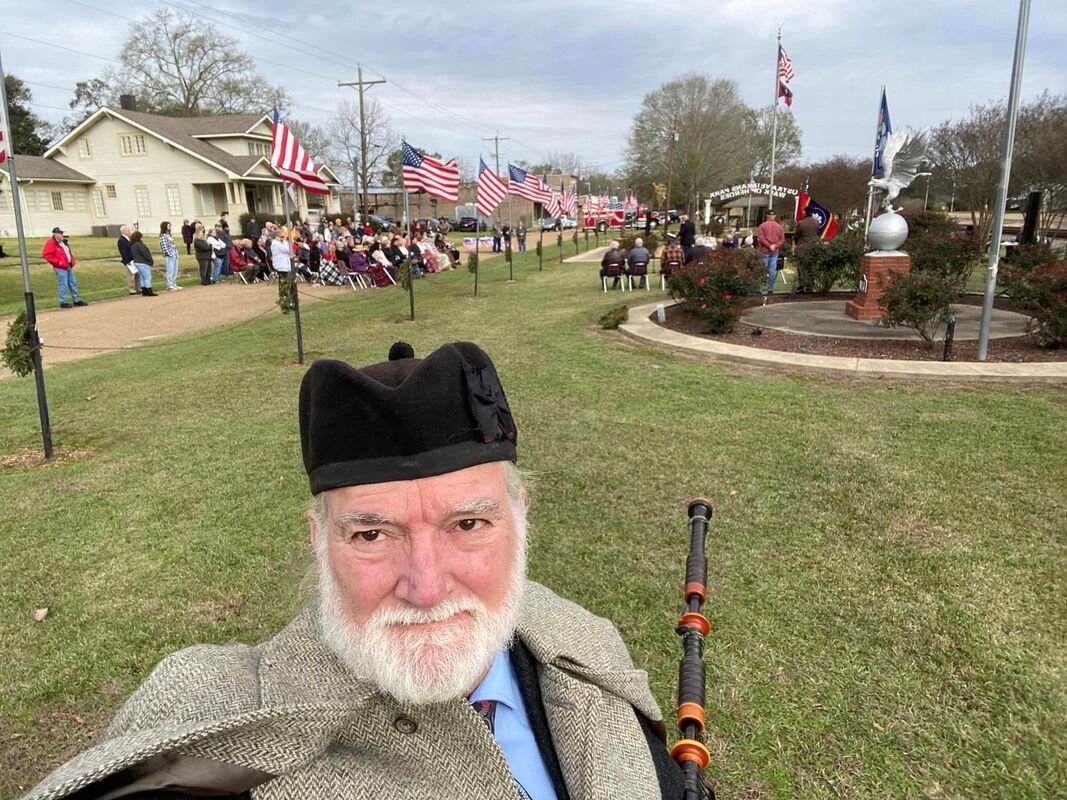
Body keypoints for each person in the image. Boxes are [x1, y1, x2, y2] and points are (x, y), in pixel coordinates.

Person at [22, 341, 685, 800]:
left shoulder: (581, 639)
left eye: (467, 525)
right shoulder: (213, 715)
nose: (426, 587)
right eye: (372, 534)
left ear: (520, 520)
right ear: (320, 540)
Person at [41, 227, 87, 308]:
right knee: (63, 284)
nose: (62, 235)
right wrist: (58, 262)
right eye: (61, 233)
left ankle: (76, 300)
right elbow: (47, 255)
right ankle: (63, 302)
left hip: (67, 265)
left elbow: (67, 252)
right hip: (60, 267)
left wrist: (71, 260)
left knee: (73, 282)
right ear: (56, 234)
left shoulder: (63, 242)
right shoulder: (51, 242)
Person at [757, 210, 786, 295]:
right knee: (772, 270)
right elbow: (782, 240)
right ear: (775, 216)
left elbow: (761, 238)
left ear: (767, 216)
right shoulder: (779, 227)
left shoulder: (762, 226)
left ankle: (760, 288)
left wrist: (769, 246)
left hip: (764, 250)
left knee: (762, 270)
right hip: (774, 251)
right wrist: (775, 246)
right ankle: (770, 288)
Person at [128, 230, 158, 296]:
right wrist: (150, 260)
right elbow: (145, 254)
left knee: (142, 277)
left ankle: (144, 290)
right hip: (143, 262)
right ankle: (149, 290)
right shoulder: (140, 245)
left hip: (136, 262)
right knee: (147, 277)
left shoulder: (133, 245)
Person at [116, 226, 141, 295]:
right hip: (129, 261)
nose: (129, 231)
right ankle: (132, 289)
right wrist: (127, 261)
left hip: (134, 259)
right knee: (131, 276)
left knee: (137, 274)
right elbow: (123, 252)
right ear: (124, 231)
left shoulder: (129, 238)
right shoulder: (121, 240)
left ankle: (138, 288)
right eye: (128, 230)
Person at [159, 221, 181, 291]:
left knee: (175, 270)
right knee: (170, 270)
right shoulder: (163, 236)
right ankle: (169, 285)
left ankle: (173, 283)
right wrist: (169, 254)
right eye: (169, 226)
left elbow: (173, 244)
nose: (170, 227)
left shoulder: (169, 235)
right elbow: (164, 246)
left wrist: (176, 254)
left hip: (174, 254)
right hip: (169, 255)